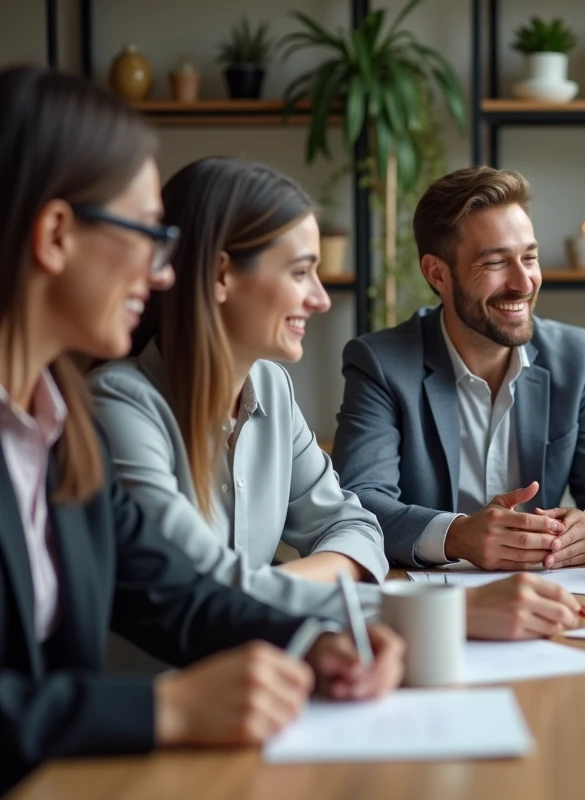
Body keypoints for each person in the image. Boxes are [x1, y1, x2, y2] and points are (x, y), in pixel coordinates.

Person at [0, 66, 401, 793]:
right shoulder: (107, 407)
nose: (163, 274)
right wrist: (165, 709)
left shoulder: (59, 428)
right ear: (56, 235)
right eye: (146, 235)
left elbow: (173, 593)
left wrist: (313, 642)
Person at [91, 157, 585, 642]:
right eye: (300, 272)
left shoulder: (271, 388)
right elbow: (202, 590)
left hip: (268, 671)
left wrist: (268, 588)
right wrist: (440, 613)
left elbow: (355, 524)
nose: (321, 299)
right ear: (221, 276)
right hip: (160, 691)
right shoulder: (119, 405)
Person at [333, 166, 585, 577]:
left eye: (529, 258)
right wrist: (457, 535)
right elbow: (359, 501)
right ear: (437, 273)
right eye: (496, 262)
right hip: (427, 598)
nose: (524, 283)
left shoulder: (574, 354)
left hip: (544, 589)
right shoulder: (381, 362)